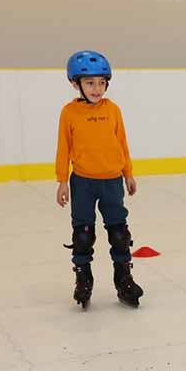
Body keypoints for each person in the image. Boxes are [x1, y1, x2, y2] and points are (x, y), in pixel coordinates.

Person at [54, 50, 143, 309]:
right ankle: (83, 278)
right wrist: (62, 181)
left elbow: (122, 143)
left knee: (119, 233)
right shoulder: (69, 113)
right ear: (76, 84)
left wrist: (128, 173)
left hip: (112, 181)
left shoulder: (112, 110)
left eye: (102, 82)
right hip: (82, 181)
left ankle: (123, 278)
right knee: (83, 235)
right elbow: (63, 147)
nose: (97, 88)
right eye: (90, 83)